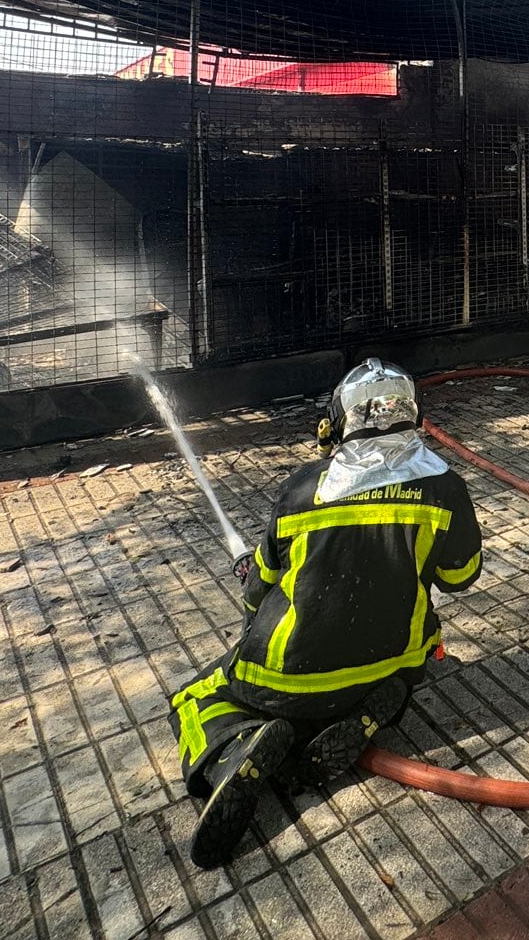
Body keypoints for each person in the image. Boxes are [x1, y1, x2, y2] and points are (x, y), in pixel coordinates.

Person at [168, 359, 484, 868]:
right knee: (412, 657)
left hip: (287, 675)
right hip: (392, 662)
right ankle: (359, 714)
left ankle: (232, 750)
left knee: (194, 695)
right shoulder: (447, 488)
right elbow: (460, 576)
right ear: (415, 415)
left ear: (338, 424)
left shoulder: (300, 490)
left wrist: (251, 584)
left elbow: (258, 591)